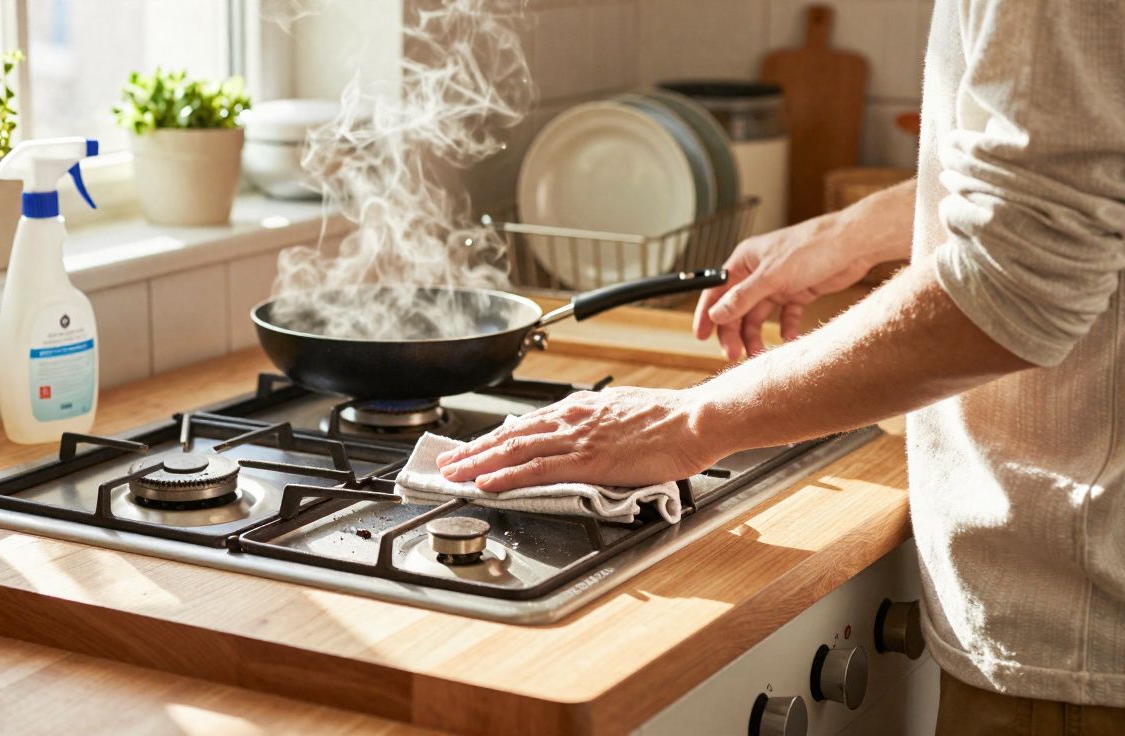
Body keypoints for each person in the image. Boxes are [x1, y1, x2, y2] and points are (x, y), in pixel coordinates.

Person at [435, 0, 1125, 732]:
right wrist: (853, 231)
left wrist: (689, 419)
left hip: (1082, 636)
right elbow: (1077, 160)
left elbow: (1017, 282)